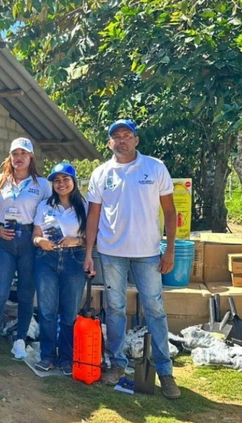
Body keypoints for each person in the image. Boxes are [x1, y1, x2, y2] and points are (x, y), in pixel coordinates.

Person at [83, 119, 180, 399]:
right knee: (114, 309)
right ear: (110, 143)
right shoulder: (102, 173)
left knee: (155, 310)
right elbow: (93, 216)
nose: (122, 140)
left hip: (147, 253)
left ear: (136, 140)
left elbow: (170, 212)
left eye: (127, 135)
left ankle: (165, 371)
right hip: (111, 253)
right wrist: (89, 253)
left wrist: (170, 249)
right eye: (116, 137)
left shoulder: (155, 168)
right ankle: (117, 365)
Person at [0, 138, 50, 360]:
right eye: (15, 154)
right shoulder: (1, 180)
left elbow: (50, 214)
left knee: (25, 293)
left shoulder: (42, 184)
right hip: (3, 238)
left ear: (31, 157)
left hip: (29, 241)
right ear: (10, 157)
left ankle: (20, 340)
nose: (18, 158)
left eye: (23, 153)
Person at [32, 162, 88, 374]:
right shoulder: (45, 206)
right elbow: (35, 233)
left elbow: (94, 237)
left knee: (69, 312)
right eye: (57, 180)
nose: (61, 183)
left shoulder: (85, 205)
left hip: (74, 260)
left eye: (66, 179)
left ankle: (66, 357)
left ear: (74, 181)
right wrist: (39, 241)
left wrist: (77, 241)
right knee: (47, 311)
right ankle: (47, 356)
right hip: (47, 259)